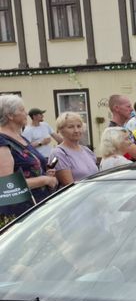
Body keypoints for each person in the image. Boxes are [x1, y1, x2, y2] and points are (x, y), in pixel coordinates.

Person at [0, 94, 57, 228]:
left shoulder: (20, 137)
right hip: (21, 215)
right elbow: (6, 185)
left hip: (38, 206)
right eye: (22, 110)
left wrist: (45, 173)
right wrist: (44, 180)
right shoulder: (2, 141)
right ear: (10, 115)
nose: (26, 113)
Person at [52, 112, 98, 186]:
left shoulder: (87, 151)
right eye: (71, 127)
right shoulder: (59, 153)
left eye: (79, 126)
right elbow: (69, 185)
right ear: (61, 130)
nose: (76, 130)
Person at [106, 94, 136, 161]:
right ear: (117, 108)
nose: (132, 109)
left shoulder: (125, 130)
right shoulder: (115, 132)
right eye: (128, 106)